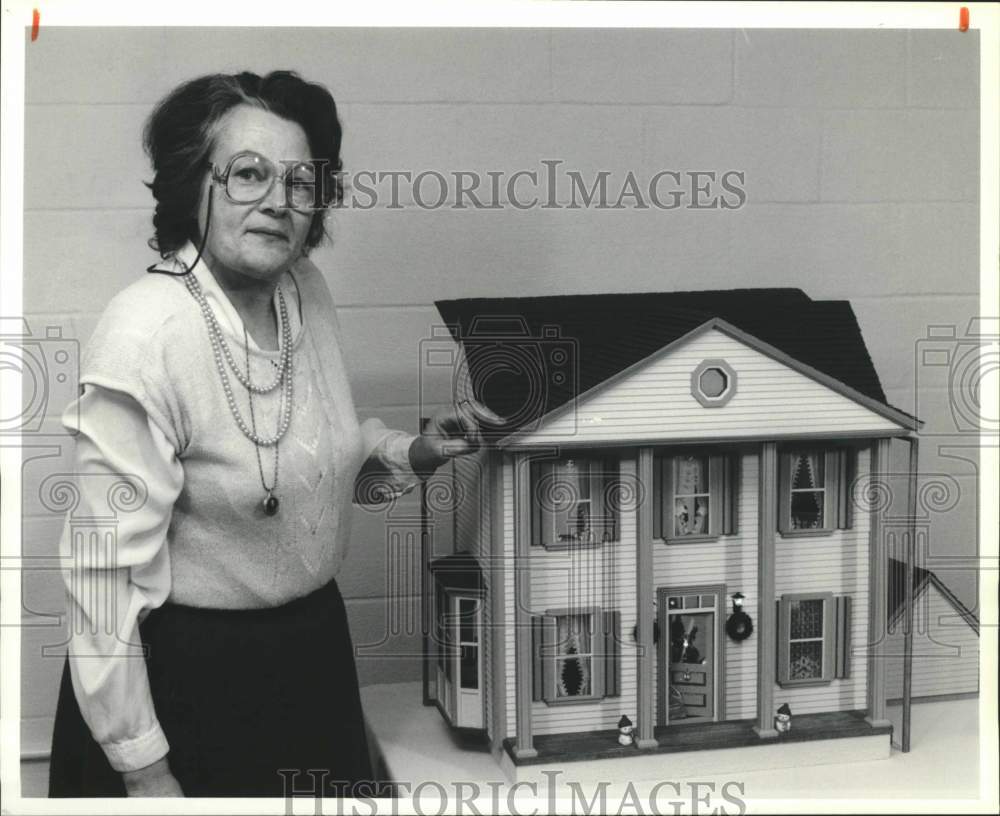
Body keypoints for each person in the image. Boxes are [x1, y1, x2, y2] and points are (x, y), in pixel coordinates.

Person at [48, 70, 490, 798]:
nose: (278, 202)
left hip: (310, 655)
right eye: (248, 174)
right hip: (186, 684)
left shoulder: (303, 291)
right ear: (197, 185)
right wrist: (146, 770)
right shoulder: (145, 334)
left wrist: (409, 452)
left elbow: (301, 465)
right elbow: (102, 583)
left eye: (300, 180)